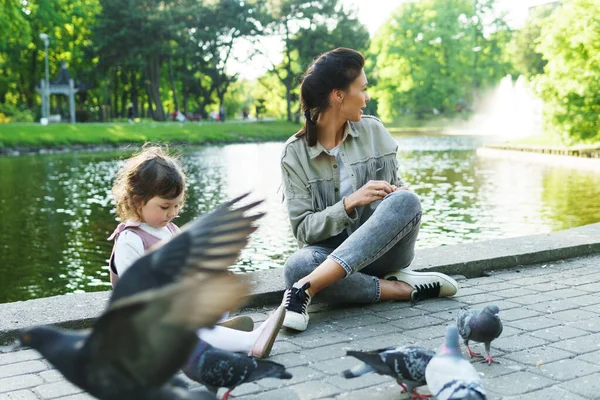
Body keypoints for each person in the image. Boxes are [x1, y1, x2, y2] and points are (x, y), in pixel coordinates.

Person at [279, 48, 459, 332]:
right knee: (296, 268)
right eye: (362, 89)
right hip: (328, 252)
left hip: (383, 253)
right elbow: (304, 230)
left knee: (406, 200)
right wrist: (349, 203)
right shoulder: (295, 154)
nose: (368, 97)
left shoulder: (374, 131)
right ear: (338, 95)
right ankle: (400, 289)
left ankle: (305, 289)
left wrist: (397, 194)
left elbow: (397, 196)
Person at [107, 144, 284, 358]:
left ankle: (217, 331)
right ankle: (250, 341)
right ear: (138, 201)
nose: (172, 213)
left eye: (177, 205)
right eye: (165, 207)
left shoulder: (168, 229)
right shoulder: (130, 240)